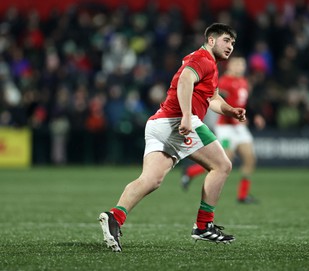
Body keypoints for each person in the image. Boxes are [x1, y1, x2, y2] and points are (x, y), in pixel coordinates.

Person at [99, 23, 246, 252]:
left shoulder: (209, 66)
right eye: (226, 40)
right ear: (211, 40)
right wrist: (187, 116)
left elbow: (212, 99)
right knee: (222, 165)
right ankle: (203, 225)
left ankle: (114, 217)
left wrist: (230, 110)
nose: (230, 46)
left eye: (233, 43)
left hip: (158, 123)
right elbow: (186, 80)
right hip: (179, 121)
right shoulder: (203, 58)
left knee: (151, 180)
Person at [181, 56, 265, 203]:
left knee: (250, 159)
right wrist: (232, 116)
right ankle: (191, 172)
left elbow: (246, 103)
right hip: (226, 128)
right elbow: (220, 102)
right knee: (224, 161)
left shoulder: (244, 82)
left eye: (242, 64)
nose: (240, 67)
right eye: (237, 64)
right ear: (230, 66)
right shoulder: (225, 82)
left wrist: (256, 115)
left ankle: (243, 196)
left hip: (239, 127)